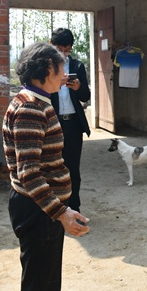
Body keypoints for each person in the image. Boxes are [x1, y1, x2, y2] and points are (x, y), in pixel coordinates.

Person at [3, 42, 90, 291]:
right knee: (39, 283)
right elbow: (29, 173)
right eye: (61, 67)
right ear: (49, 68)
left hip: (43, 207)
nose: (65, 74)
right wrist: (61, 212)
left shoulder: (39, 101)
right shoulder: (31, 107)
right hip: (37, 209)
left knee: (47, 280)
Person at [50, 28, 91, 213]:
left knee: (73, 169)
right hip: (53, 123)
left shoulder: (77, 66)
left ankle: (74, 207)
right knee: (53, 168)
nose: (64, 54)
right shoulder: (45, 67)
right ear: (52, 46)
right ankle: (56, 208)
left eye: (67, 50)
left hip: (73, 124)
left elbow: (85, 96)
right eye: (60, 49)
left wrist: (78, 87)